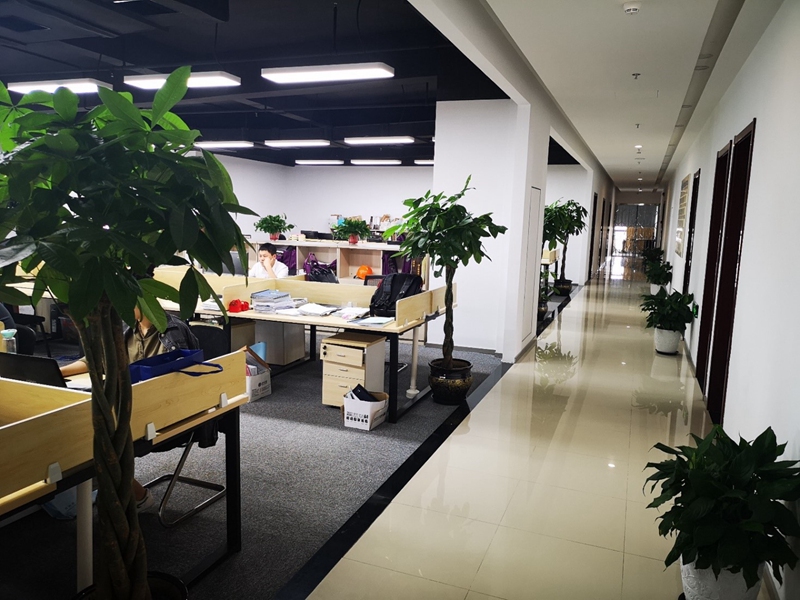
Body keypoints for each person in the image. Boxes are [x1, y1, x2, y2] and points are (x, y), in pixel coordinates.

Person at [60, 305, 199, 511]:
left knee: (95, 441)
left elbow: (177, 385)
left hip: (161, 410)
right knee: (78, 432)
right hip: (128, 404)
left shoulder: (172, 332)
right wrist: (59, 372)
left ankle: (138, 496)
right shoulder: (125, 327)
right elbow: (96, 360)